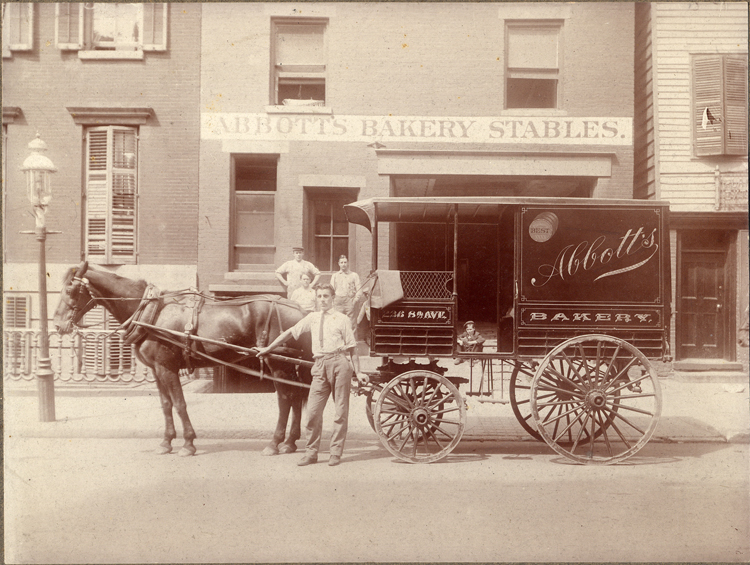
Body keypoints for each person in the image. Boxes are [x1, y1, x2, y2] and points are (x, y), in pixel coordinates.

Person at [257, 283, 369, 467]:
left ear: (332, 298)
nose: (323, 300)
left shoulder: (342, 319)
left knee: (340, 413)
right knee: (313, 413)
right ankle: (311, 453)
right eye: (319, 296)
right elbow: (290, 333)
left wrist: (359, 371)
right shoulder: (312, 317)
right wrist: (268, 348)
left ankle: (335, 453)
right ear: (316, 299)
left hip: (339, 364)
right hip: (319, 366)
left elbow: (352, 348)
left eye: (326, 296)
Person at [330, 255, 361, 334]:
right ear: (338, 263)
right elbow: (331, 290)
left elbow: (359, 289)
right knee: (337, 321)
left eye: (345, 262)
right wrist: (333, 301)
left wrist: (355, 300)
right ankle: (339, 339)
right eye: (341, 262)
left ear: (348, 263)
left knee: (351, 322)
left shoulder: (354, 275)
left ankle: (352, 340)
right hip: (338, 301)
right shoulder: (335, 276)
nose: (343, 264)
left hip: (349, 301)